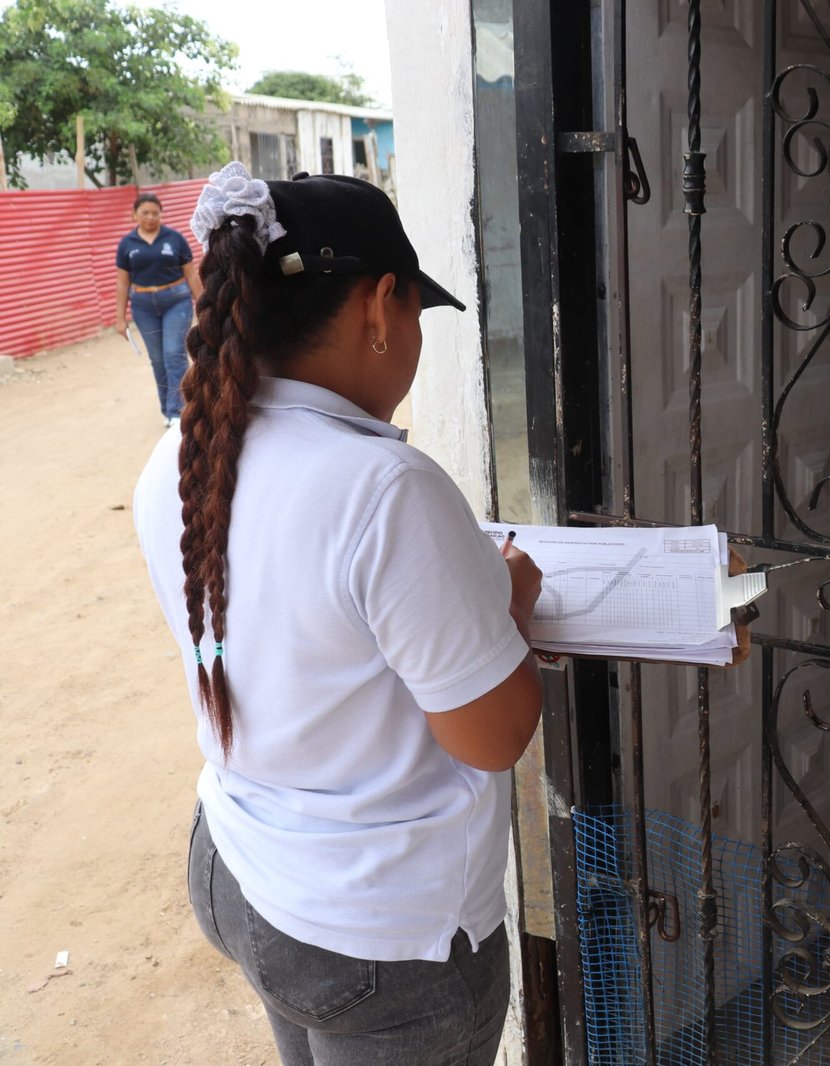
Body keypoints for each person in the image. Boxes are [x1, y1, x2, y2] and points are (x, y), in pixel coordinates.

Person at [132, 162, 545, 1064]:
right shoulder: (384, 490)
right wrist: (506, 604)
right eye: (414, 315)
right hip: (375, 934)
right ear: (377, 304)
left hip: (240, 869)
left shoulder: (178, 458)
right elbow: (493, 735)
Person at [115, 193, 202, 427]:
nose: (151, 217)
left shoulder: (175, 239)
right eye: (145, 212)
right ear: (135, 215)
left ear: (161, 214)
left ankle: (179, 410)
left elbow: (191, 273)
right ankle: (167, 409)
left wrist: (204, 304)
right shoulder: (127, 244)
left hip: (176, 300)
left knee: (174, 354)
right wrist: (120, 318)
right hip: (143, 306)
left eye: (155, 212)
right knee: (158, 360)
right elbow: (122, 282)